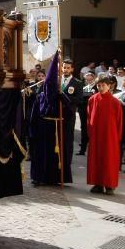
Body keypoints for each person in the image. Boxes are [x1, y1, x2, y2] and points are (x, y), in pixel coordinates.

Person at [29, 54, 74, 185]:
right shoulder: (40, 96)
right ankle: (40, 177)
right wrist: (33, 129)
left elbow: (70, 113)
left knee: (55, 156)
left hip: (56, 129)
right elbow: (35, 114)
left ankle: (55, 178)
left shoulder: (60, 96)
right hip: (43, 129)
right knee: (42, 154)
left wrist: (62, 97)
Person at [87, 75, 124, 194]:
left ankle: (109, 185)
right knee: (96, 159)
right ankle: (98, 183)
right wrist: (90, 132)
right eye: (99, 85)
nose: (101, 87)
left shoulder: (115, 102)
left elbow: (119, 121)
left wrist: (117, 137)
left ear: (109, 86)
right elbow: (89, 117)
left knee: (109, 159)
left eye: (103, 85)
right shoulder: (92, 99)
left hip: (110, 136)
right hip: (96, 134)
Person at [60, 59, 86, 156]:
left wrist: (66, 99)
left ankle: (67, 159)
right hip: (56, 114)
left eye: (68, 68)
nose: (65, 70)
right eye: (64, 67)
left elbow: (79, 99)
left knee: (67, 138)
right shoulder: (57, 80)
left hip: (69, 115)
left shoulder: (77, 83)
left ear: (72, 69)